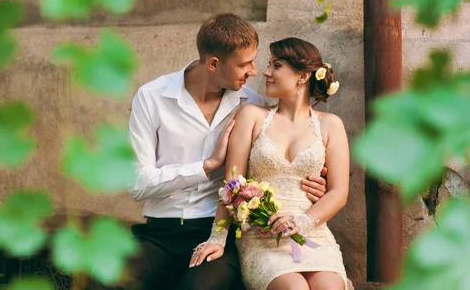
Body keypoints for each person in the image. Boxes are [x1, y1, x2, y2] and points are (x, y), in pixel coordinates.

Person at [126, 15, 329, 290]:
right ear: (213, 64)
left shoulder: (252, 105)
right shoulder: (152, 97)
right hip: (160, 232)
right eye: (245, 64)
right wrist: (207, 166)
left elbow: (273, 164)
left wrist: (311, 180)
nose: (255, 72)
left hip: (222, 230)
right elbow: (137, 185)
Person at [190, 37, 352, 290]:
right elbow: (232, 184)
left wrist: (302, 222)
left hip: (313, 233)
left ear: (303, 75)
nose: (265, 72)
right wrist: (217, 237)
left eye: (276, 65)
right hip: (262, 238)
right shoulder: (252, 117)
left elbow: (339, 193)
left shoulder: (331, 125)